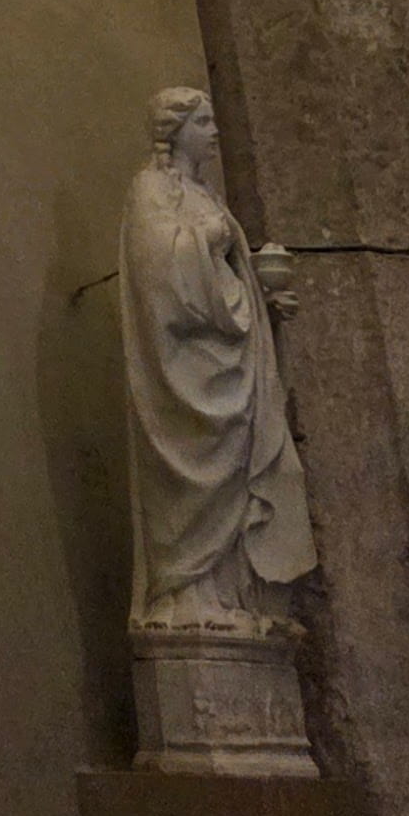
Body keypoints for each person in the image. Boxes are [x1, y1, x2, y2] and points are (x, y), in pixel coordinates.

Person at [119, 84, 315, 634]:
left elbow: (227, 279)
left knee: (238, 470)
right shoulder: (150, 188)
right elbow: (158, 267)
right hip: (187, 369)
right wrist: (207, 237)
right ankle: (185, 595)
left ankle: (233, 596)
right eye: (204, 122)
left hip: (230, 360)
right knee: (195, 472)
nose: (215, 132)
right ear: (175, 131)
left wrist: (263, 300)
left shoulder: (209, 198)